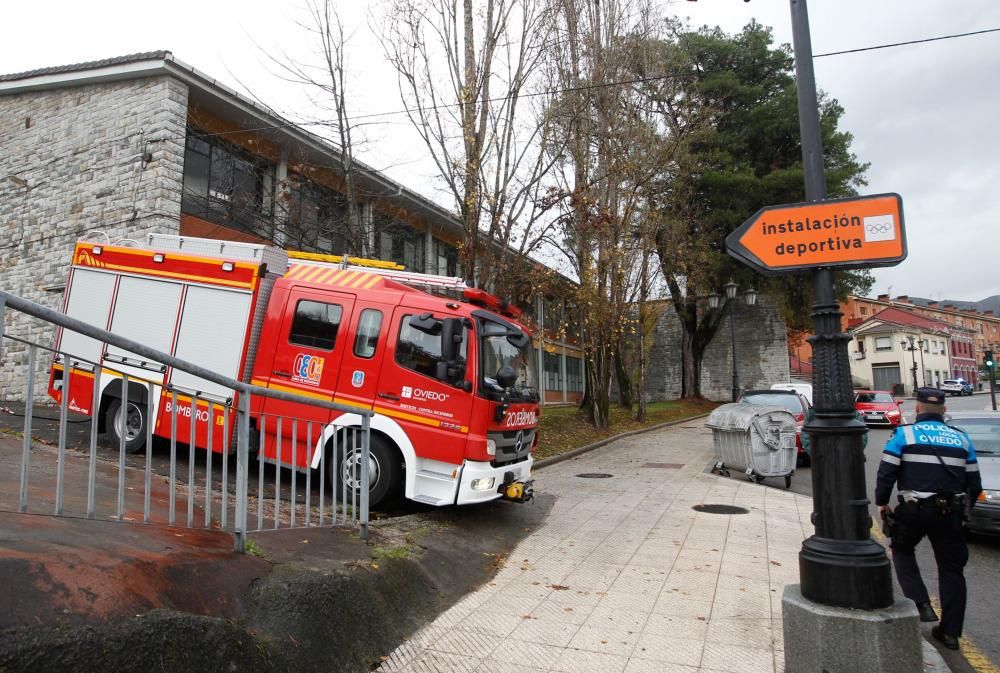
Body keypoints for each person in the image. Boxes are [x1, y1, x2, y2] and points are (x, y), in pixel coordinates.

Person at [875, 387, 983, 650]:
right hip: (950, 513)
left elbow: (887, 472)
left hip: (914, 509)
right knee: (952, 570)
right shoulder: (962, 439)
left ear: (919, 409)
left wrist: (882, 503)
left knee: (901, 549)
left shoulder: (905, 433)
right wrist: (962, 510)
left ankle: (920, 602)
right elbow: (974, 483)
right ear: (944, 410)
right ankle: (950, 633)